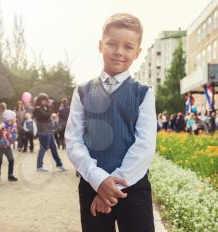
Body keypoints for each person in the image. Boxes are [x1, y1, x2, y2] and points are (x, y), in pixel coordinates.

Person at [65, 13, 157, 232]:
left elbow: (145, 145)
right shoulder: (82, 91)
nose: (119, 52)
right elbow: (73, 140)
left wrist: (110, 188)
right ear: (100, 46)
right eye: (112, 44)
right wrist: (98, 181)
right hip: (91, 186)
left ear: (137, 52)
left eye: (128, 47)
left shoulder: (143, 93)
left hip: (132, 187)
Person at [33, 93, 67, 172]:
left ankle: (59, 164)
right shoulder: (38, 109)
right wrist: (48, 106)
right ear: (41, 100)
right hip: (43, 131)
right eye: (45, 100)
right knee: (43, 148)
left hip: (48, 130)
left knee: (53, 148)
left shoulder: (43, 108)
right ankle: (39, 166)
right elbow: (47, 115)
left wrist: (48, 106)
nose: (47, 101)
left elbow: (48, 115)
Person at [0, 110, 19, 181]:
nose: (16, 119)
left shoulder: (14, 126)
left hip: (7, 146)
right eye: (14, 117)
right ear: (10, 118)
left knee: (11, 160)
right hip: (0, 146)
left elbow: (14, 134)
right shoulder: (4, 124)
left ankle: (10, 175)